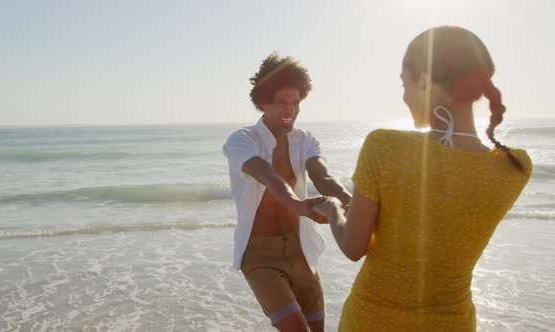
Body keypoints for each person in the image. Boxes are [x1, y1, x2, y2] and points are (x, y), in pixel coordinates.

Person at [314, 26, 532, 331]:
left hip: (372, 320)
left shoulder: (384, 145)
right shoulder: (515, 166)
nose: (404, 96)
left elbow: (354, 247)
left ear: (425, 81)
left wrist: (331, 209)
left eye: (405, 84)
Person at [223, 53, 352, 331]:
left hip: (300, 250)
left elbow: (324, 177)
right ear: (263, 102)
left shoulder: (305, 140)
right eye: (282, 102)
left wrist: (352, 201)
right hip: (260, 256)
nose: (290, 110)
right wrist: (300, 206)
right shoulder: (242, 141)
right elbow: (268, 176)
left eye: (295, 103)